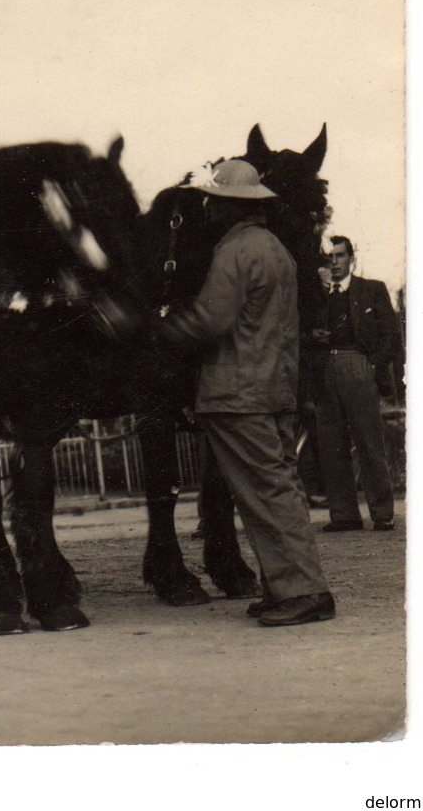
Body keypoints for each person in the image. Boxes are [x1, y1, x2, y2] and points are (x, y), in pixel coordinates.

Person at [157, 159, 334, 627]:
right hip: (274, 388)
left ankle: (304, 592)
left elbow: (211, 320)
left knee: (265, 495)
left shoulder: (234, 250)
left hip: (237, 394)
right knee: (280, 489)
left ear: (226, 206)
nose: (208, 209)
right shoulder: (276, 248)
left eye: (213, 201)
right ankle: (286, 586)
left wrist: (161, 328)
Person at [311, 235, 402, 532]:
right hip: (326, 369)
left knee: (369, 441)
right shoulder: (317, 296)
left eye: (339, 256)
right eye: (329, 258)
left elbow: (391, 334)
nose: (334, 263)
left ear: (352, 258)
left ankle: (382, 513)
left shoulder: (371, 290)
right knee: (331, 445)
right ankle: (344, 515)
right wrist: (314, 337)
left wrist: (372, 364)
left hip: (359, 365)